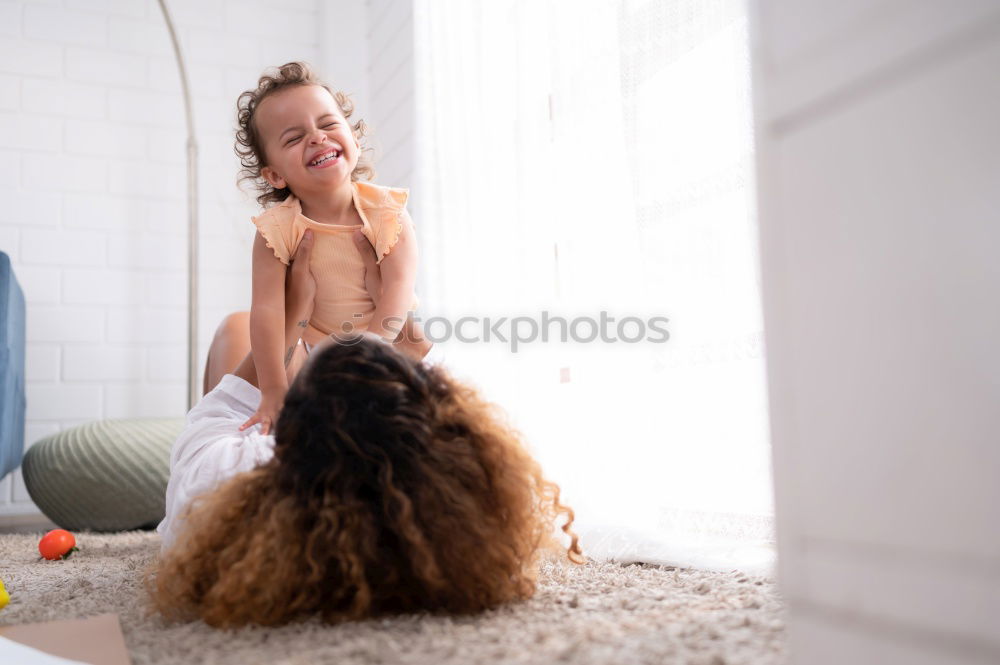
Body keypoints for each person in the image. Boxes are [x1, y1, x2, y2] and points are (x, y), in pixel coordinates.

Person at [147, 234, 583, 629]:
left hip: (257, 475)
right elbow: (441, 412)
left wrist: (293, 316)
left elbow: (215, 414)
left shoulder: (229, 473)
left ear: (281, 431)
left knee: (239, 327)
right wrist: (408, 333)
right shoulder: (467, 495)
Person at [234, 60, 430, 435]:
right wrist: (273, 389)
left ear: (354, 139)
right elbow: (267, 312)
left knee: (417, 412)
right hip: (319, 349)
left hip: (390, 337)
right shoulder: (276, 230)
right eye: (293, 138)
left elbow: (398, 290)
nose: (317, 137)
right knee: (327, 426)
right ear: (275, 175)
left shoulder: (386, 212)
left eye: (327, 125)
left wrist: (370, 349)